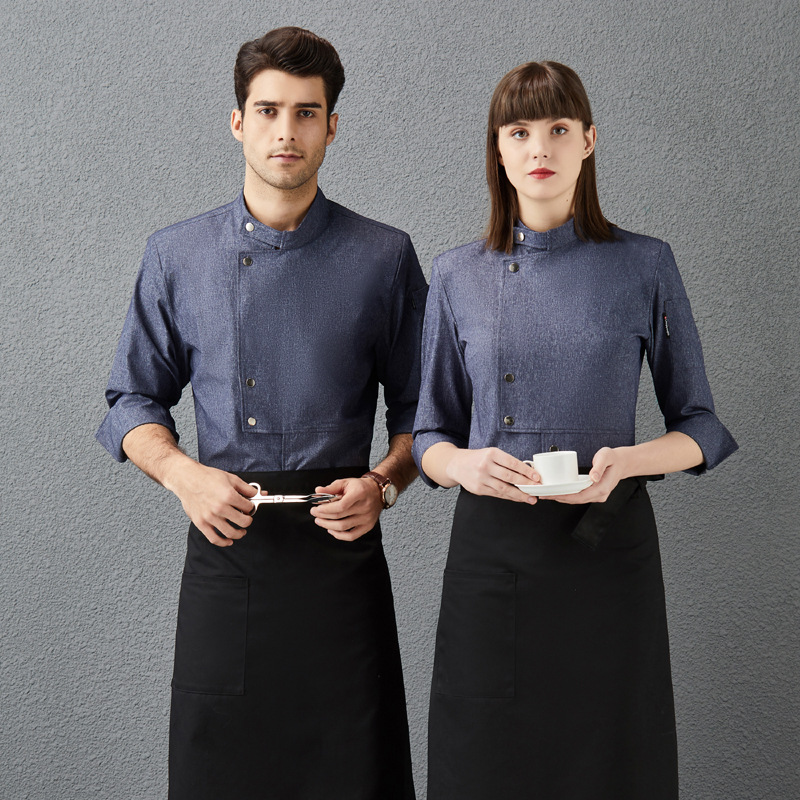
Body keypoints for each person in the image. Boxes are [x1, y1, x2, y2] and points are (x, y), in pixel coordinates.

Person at [97, 27, 425, 800]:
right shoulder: (177, 255)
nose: (287, 131)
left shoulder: (384, 256)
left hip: (341, 568)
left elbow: (427, 415)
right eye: (269, 111)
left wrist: (383, 485)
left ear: (331, 127)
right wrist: (184, 476)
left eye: (306, 113)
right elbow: (130, 400)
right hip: (229, 561)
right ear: (238, 122)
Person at [412, 61, 738, 800]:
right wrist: (464, 466)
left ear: (588, 141)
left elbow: (701, 426)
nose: (540, 148)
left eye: (558, 129)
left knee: (614, 758)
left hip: (606, 550)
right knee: (483, 758)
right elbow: (428, 433)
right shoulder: (457, 274)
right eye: (519, 131)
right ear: (498, 149)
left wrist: (629, 460)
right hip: (492, 555)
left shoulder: (644, 264)